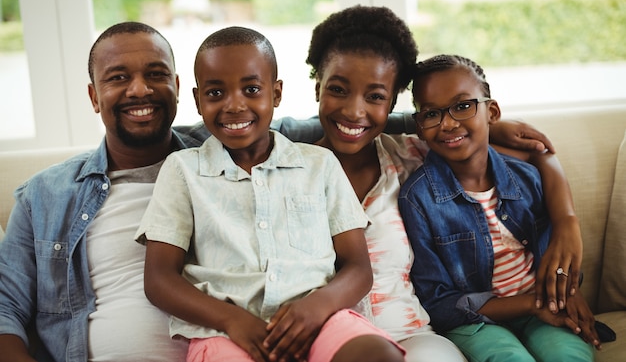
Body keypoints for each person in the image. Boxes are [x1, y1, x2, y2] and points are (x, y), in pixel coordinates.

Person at [0, 20, 553, 362]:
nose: (139, 89)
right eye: (117, 77)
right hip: (215, 337)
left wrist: (468, 123)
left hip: (315, 331)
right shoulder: (46, 196)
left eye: (154, 74)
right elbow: (5, 309)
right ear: (94, 96)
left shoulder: (282, 148)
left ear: (175, 91)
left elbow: (357, 119)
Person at [306, 5, 585, 362]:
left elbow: (532, 152)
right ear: (318, 88)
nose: (354, 111)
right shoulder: (288, 166)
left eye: (375, 97)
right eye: (338, 90)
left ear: (391, 104)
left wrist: (565, 220)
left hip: (412, 333)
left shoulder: (407, 155)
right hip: (334, 339)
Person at [134, 26, 406, 362]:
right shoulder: (182, 171)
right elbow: (159, 279)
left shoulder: (319, 164)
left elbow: (358, 268)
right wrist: (231, 319)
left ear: (276, 94)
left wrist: (316, 307)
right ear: (197, 99)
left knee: (377, 355)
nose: (234, 105)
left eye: (251, 89)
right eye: (216, 93)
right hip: (224, 333)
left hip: (322, 320)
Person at [398, 54, 600, 362]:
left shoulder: (527, 176)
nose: (448, 123)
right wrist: (533, 304)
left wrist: (564, 294)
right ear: (419, 125)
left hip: (542, 307)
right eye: (431, 114)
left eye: (463, 106)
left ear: (491, 112)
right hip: (475, 322)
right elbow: (438, 300)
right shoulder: (418, 198)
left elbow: (556, 256)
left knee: (568, 355)